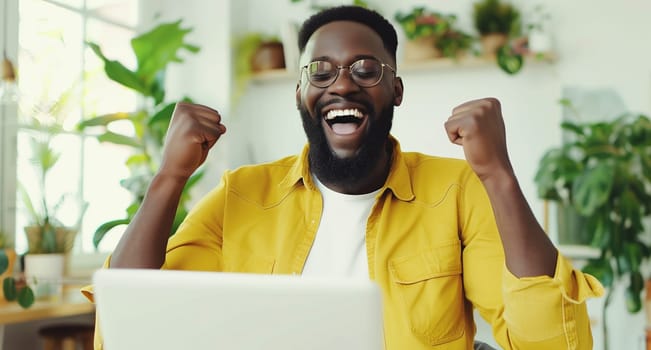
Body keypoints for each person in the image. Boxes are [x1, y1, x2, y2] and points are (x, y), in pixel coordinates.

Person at [83, 5, 604, 350]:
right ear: (300, 94)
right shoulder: (241, 194)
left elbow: (551, 343)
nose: (342, 85)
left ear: (396, 89)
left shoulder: (456, 190)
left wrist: (499, 176)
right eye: (322, 72)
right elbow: (130, 326)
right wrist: (168, 178)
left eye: (365, 69)